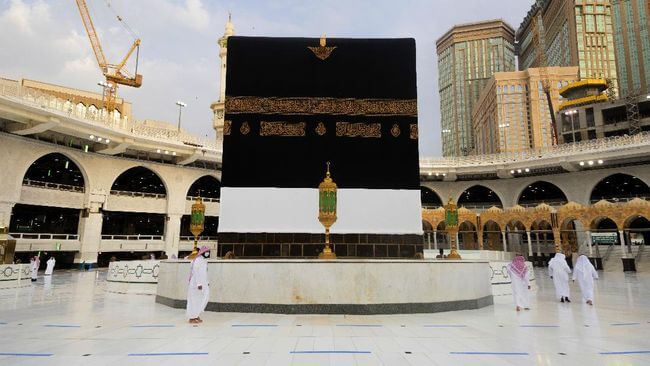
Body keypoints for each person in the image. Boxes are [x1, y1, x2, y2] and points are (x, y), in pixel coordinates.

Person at [186, 246, 210, 324]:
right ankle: (192, 317)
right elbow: (196, 272)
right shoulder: (197, 260)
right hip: (195, 284)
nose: (208, 253)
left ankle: (196, 315)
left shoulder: (203, 260)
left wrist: (206, 282)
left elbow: (204, 273)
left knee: (201, 299)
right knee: (194, 300)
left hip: (203, 284)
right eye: (206, 251)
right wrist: (199, 283)